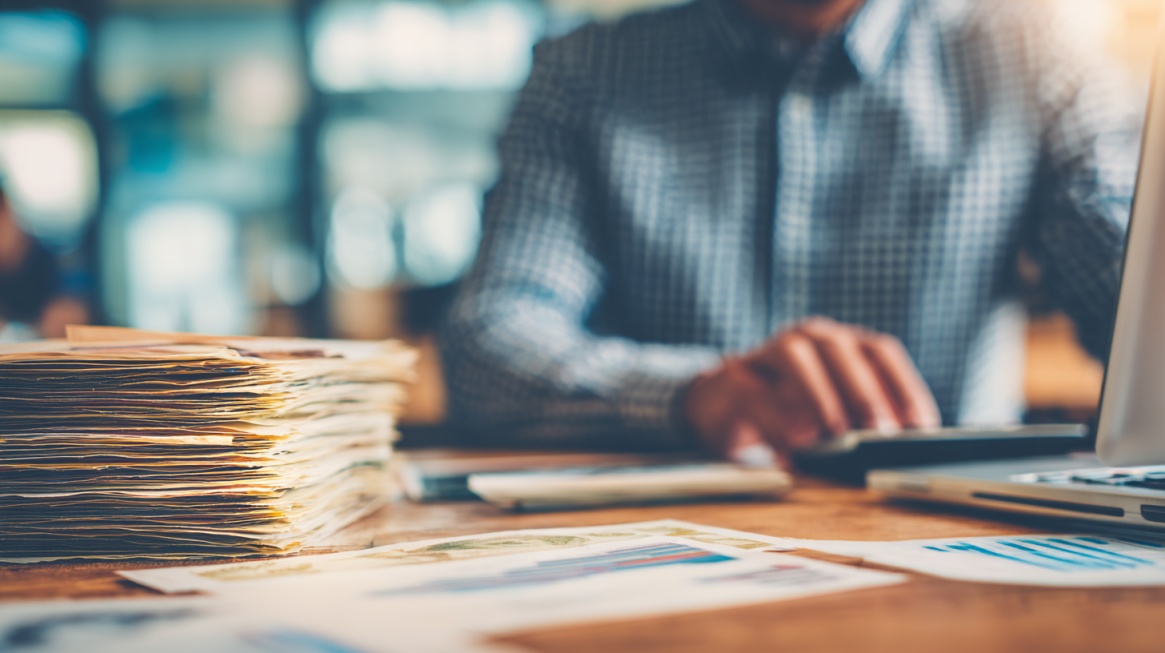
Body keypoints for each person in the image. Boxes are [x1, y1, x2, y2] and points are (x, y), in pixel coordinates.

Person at [440, 0, 1142, 462]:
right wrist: (692, 393)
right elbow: (489, 348)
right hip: (675, 554)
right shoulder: (586, 71)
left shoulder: (1037, 57)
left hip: (958, 558)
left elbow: (1138, 317)